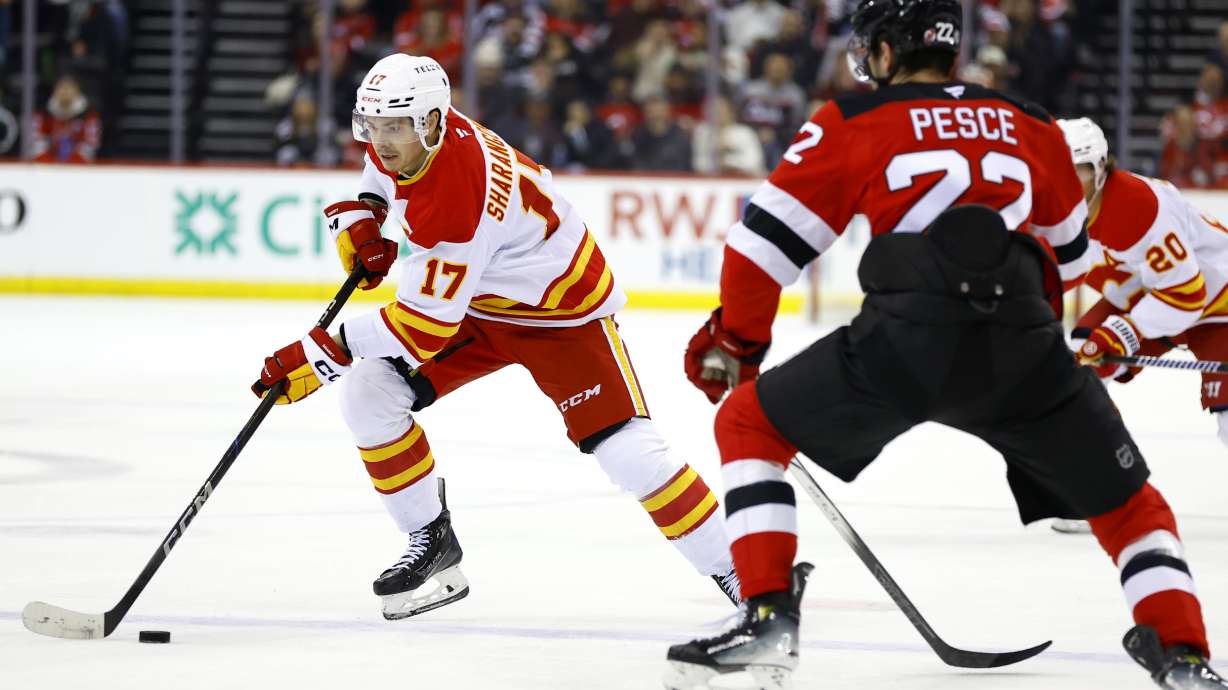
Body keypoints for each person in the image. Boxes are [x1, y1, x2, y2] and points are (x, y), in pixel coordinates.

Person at [662, 2, 1226, 689]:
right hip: (1025, 343)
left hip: (903, 341)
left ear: (889, 54)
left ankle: (769, 616)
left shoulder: (851, 120)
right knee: (1133, 506)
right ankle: (1184, 655)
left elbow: (759, 251)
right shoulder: (1031, 121)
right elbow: (1072, 263)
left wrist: (739, 348)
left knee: (747, 422)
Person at [251, 54, 740, 621]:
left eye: (394, 127)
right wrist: (366, 211)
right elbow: (381, 172)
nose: (380, 141)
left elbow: (420, 330)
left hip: (558, 311)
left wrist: (316, 353)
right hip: (479, 299)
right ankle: (432, 542)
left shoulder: (457, 196)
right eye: (371, 125)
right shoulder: (417, 130)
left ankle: (741, 571)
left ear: (432, 122)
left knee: (627, 451)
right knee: (369, 393)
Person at [1045, 117, 1228, 536]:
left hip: (1218, 302)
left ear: (1101, 170)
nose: (1064, 184)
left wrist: (1122, 333)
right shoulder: (1050, 214)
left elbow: (1186, 297)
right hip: (1153, 294)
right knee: (1083, 365)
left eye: (1077, 172)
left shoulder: (1139, 207)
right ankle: (1104, 490)